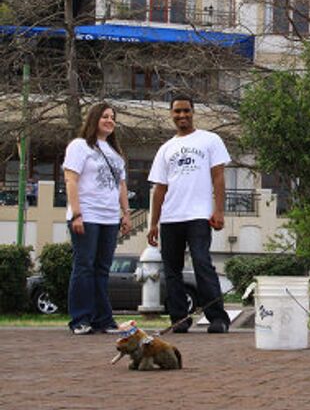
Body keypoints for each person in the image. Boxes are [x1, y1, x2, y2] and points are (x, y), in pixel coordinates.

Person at [147, 95, 231, 333]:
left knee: (202, 262)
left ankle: (218, 318)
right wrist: (153, 223)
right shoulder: (165, 148)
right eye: (177, 112)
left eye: (186, 111)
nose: (182, 115)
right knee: (171, 270)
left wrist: (219, 210)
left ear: (193, 112)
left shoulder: (210, 140)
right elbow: (159, 189)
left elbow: (218, 177)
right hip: (171, 217)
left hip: (198, 215)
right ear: (171, 114)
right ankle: (179, 318)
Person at [63, 102, 131, 335]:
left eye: (113, 117)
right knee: (84, 266)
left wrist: (126, 213)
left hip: (109, 218)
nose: (110, 120)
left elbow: (121, 185)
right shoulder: (80, 146)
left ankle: (103, 319)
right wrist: (77, 213)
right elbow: (71, 180)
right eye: (105, 116)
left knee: (102, 269)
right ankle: (80, 319)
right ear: (94, 119)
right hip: (87, 215)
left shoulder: (116, 153)